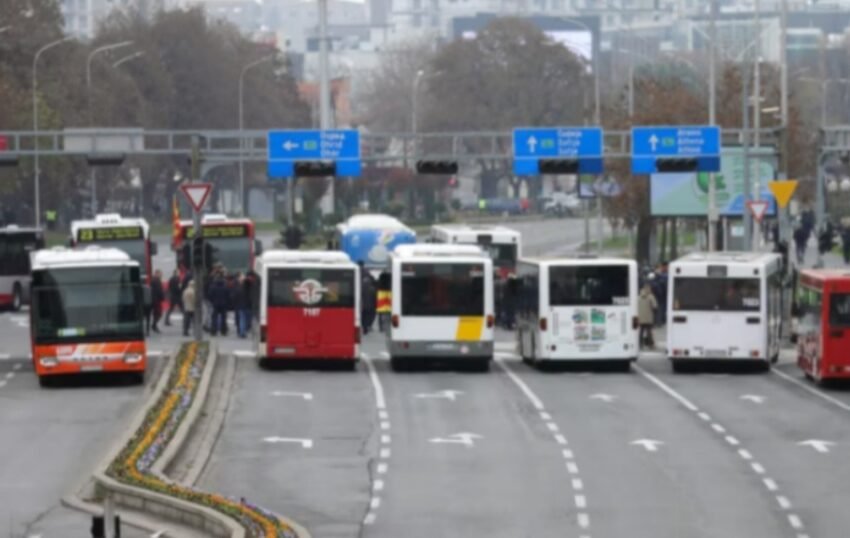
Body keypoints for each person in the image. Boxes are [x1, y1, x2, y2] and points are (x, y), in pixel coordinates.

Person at [638, 284, 658, 349]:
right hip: (648, 317)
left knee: (641, 331)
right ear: (648, 289)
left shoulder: (638, 297)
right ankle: (650, 344)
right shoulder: (651, 297)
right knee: (649, 331)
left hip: (640, 317)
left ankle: (640, 344)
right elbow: (655, 306)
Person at [360, 263, 377, 334]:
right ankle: (366, 326)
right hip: (370, 306)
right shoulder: (373, 289)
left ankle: (364, 326)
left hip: (363, 305)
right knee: (368, 316)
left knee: (363, 316)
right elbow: (375, 299)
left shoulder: (361, 288)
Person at [232, 273, 250, 338]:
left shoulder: (237, 288)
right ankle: (243, 331)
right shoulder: (247, 288)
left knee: (242, 319)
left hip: (240, 305)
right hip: (246, 305)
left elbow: (234, 297)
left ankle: (242, 332)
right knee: (245, 319)